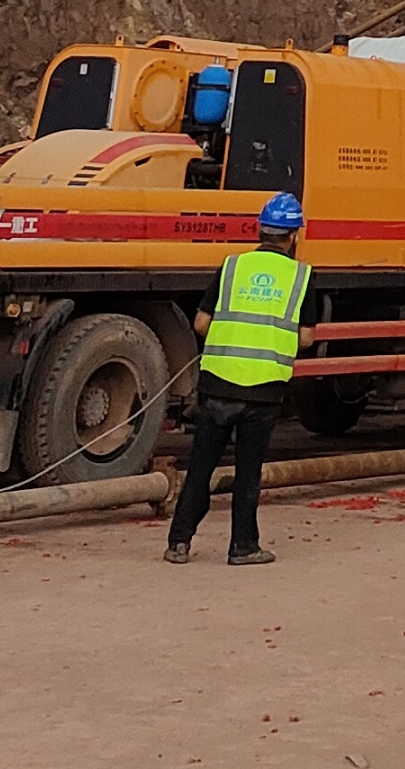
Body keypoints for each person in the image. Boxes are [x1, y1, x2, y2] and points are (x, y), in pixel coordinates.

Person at [167, 193, 308, 566]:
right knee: (248, 472)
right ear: (293, 236)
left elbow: (201, 323)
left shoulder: (231, 267)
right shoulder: (301, 277)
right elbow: (306, 337)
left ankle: (179, 543)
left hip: (218, 384)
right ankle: (242, 547)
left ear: (260, 230)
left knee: (201, 468)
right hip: (263, 391)